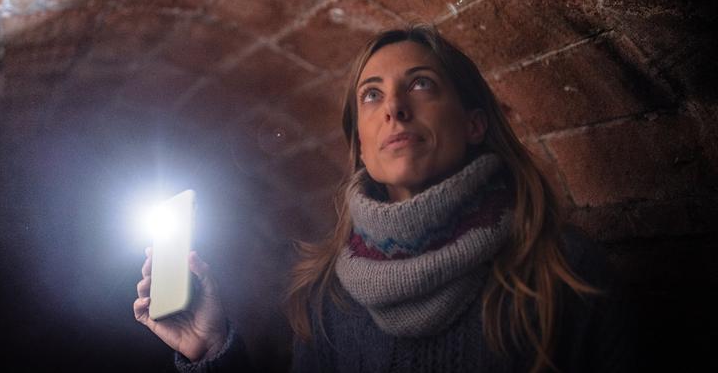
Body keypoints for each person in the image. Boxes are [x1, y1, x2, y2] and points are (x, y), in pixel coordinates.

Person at [134, 23, 638, 372]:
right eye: (371, 94)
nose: (394, 107)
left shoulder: (563, 271)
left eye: (420, 84)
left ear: (474, 123)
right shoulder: (327, 294)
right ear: (360, 144)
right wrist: (211, 347)